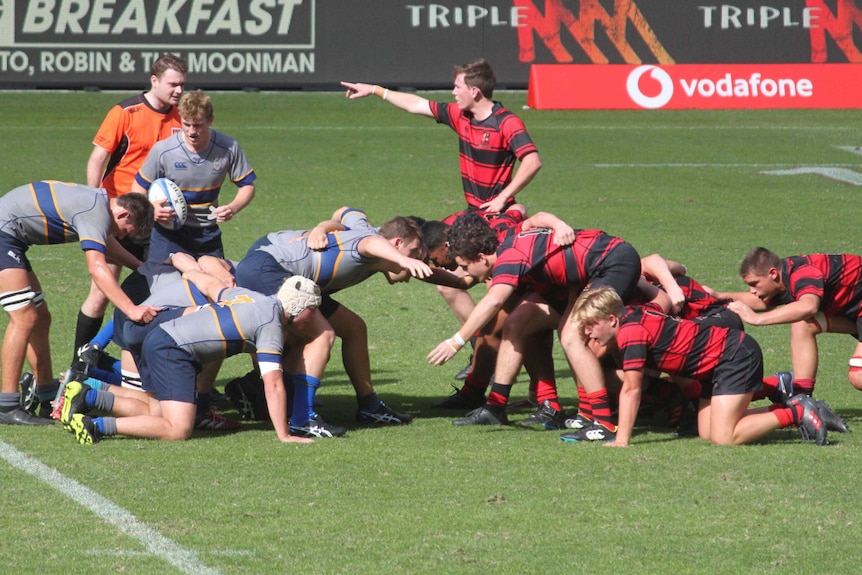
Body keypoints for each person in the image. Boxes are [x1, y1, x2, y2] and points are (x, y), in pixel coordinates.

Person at [426, 211, 668, 439]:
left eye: (467, 267)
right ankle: (495, 407)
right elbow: (538, 219)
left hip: (613, 263)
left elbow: (494, 300)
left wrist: (456, 341)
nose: (467, 273)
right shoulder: (509, 239)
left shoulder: (509, 257)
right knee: (516, 323)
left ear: (481, 257)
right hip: (586, 275)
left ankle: (603, 421)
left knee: (572, 336)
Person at [234, 207, 463, 434]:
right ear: (397, 243)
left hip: (295, 280)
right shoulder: (369, 243)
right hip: (268, 270)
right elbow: (369, 243)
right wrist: (319, 229)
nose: (415, 260)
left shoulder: (370, 235)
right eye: (413, 253)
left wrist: (465, 281)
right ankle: (300, 418)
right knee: (321, 334)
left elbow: (346, 211)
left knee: (354, 327)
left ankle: (369, 406)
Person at [568, 285, 848, 446]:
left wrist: (622, 440)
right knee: (707, 432)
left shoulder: (630, 332)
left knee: (724, 437)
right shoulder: (630, 316)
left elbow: (631, 390)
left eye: (591, 325)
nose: (589, 333)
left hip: (734, 355)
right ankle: (790, 403)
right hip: (712, 367)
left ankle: (797, 411)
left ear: (612, 320)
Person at [62, 273, 322, 444]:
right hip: (172, 350)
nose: (316, 318)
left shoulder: (253, 298)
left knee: (157, 409)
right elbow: (273, 384)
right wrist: (284, 434)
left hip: (161, 338)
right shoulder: (271, 324)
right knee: (178, 428)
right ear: (301, 308)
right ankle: (94, 425)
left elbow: (211, 285)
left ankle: (90, 394)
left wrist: (186, 266)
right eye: (314, 310)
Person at [0, 180, 158, 425]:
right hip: (4, 234)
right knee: (25, 318)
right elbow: (97, 268)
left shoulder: (98, 203)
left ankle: (47, 395)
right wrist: (131, 309)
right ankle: (6, 405)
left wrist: (140, 267)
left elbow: (109, 245)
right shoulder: (94, 211)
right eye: (125, 230)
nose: (121, 235)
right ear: (123, 213)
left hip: (11, 237)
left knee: (41, 319)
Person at [74, 54, 187, 365]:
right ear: (154, 80)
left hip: (158, 220)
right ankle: (79, 363)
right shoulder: (125, 112)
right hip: (118, 219)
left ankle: (158, 361)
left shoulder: (179, 119)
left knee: (159, 287)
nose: (178, 91)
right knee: (100, 293)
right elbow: (98, 159)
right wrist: (96, 204)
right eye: (172, 84)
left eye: (182, 85)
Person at [342, 58, 541, 214]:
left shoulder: (507, 122)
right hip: (474, 212)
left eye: (457, 87)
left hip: (497, 212)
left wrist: (503, 198)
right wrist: (375, 90)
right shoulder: (460, 115)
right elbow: (416, 105)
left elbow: (532, 161)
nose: (453, 92)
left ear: (474, 91)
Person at [709, 247, 862, 399]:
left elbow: (808, 306)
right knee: (804, 323)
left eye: (754, 283)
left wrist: (757, 319)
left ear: (773, 273)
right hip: (857, 314)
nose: (752, 291)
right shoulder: (783, 277)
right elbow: (761, 302)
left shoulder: (803, 273)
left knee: (858, 376)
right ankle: (802, 400)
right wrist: (719, 296)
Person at [131, 89, 256, 267]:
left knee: (215, 283)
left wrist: (232, 208)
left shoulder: (228, 147)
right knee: (162, 285)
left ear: (210, 120)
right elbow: (138, 187)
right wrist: (151, 209)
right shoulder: (164, 150)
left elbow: (248, 186)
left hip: (207, 233)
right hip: (168, 232)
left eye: (198, 125)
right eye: (186, 124)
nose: (191, 131)